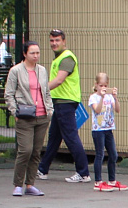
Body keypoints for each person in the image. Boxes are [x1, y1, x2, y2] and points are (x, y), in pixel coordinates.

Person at [37, 28, 91, 183]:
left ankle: (83, 172)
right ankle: (42, 169)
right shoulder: (59, 58)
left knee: (70, 136)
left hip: (65, 102)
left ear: (64, 41)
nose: (54, 43)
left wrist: (38, 89)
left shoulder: (67, 58)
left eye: (57, 40)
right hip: (60, 101)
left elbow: (59, 80)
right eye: (52, 41)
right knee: (54, 137)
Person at [4, 40, 52, 197]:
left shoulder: (42, 70)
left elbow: (46, 91)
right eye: (32, 53)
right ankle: (17, 184)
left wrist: (49, 110)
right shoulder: (16, 71)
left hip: (42, 115)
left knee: (36, 151)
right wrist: (14, 111)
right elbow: (9, 93)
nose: (36, 56)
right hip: (25, 115)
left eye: (38, 52)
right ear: (25, 54)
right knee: (25, 150)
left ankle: (30, 184)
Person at [88, 73, 124, 191]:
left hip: (108, 129)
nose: (103, 88)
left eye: (105, 85)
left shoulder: (109, 97)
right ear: (96, 85)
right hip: (98, 130)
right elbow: (97, 110)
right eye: (101, 85)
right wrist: (102, 98)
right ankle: (98, 181)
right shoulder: (93, 97)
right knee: (100, 154)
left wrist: (115, 97)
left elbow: (117, 110)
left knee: (113, 154)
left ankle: (112, 180)